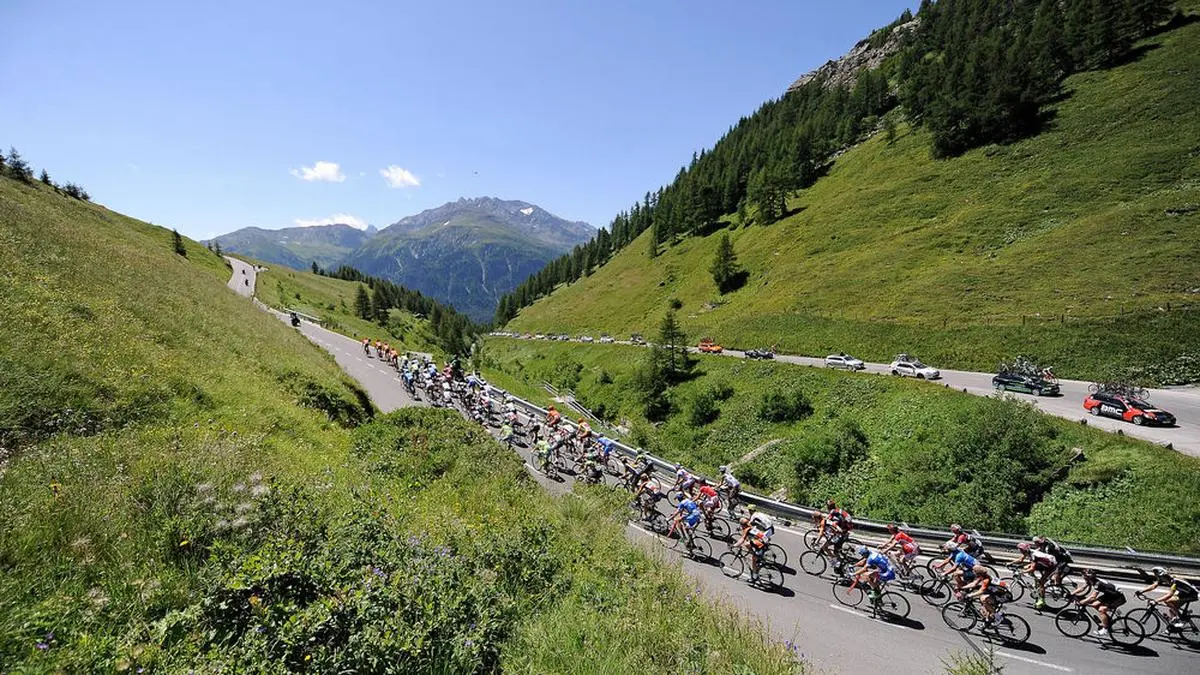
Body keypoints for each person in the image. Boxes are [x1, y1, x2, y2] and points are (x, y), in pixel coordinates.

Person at [1073, 568, 1126, 637]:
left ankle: (1105, 629)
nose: (1082, 577)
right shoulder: (1090, 580)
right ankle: (1108, 620)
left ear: (1087, 577)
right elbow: (1082, 588)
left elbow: (1093, 597)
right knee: (1094, 604)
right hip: (1110, 595)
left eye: (1083, 576)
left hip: (1118, 597)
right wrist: (1071, 593)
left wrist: (1082, 602)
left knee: (1101, 609)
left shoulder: (1098, 584)